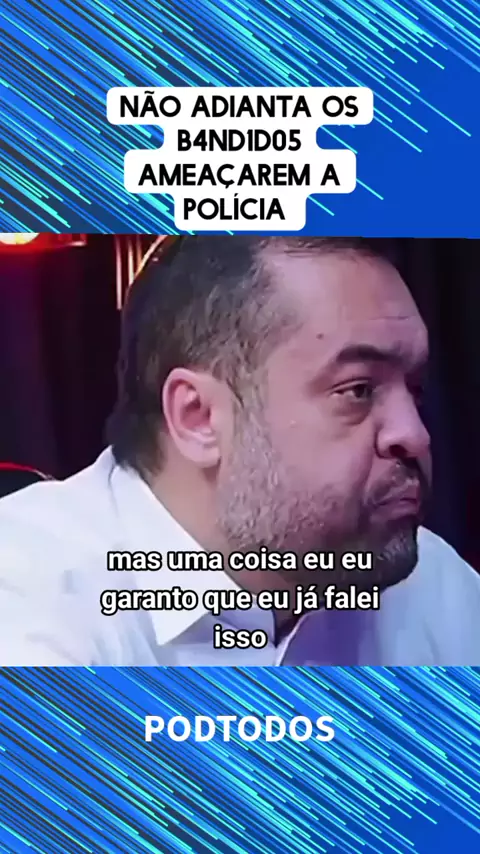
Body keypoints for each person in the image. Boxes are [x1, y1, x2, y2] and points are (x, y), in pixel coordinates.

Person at [0, 236, 479, 666]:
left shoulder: (430, 586)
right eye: (358, 390)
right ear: (199, 417)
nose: (415, 435)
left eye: (414, 389)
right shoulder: (29, 591)